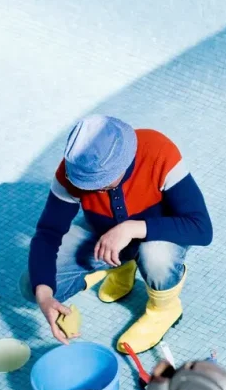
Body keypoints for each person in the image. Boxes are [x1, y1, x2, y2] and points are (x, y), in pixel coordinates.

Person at [22, 115, 212, 353]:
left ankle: (164, 310)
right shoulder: (73, 171)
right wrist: (45, 296)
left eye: (101, 182)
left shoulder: (159, 151)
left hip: (159, 234)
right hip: (104, 234)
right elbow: (49, 233)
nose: (93, 189)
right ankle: (122, 265)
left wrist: (131, 228)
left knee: (155, 254)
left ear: (125, 161)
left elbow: (201, 228)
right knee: (33, 284)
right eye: (87, 184)